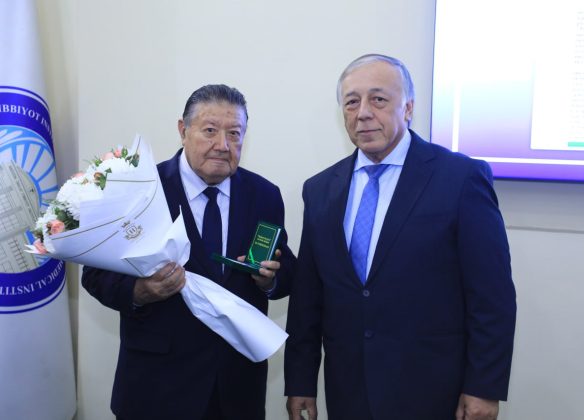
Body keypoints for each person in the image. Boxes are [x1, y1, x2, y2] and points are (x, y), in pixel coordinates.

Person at [284, 54, 516, 420]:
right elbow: (308, 298)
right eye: (351, 102)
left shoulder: (459, 178)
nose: (363, 113)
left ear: (408, 108)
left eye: (378, 99)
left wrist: (483, 387)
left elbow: (492, 295)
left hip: (432, 391)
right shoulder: (320, 189)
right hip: (349, 392)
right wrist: (300, 382)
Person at [82, 84, 296, 420]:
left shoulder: (265, 195)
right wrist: (140, 291)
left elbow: (286, 271)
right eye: (210, 131)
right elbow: (95, 274)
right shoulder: (141, 190)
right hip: (157, 388)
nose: (222, 145)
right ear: (183, 130)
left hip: (236, 390)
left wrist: (269, 280)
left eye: (234, 133)